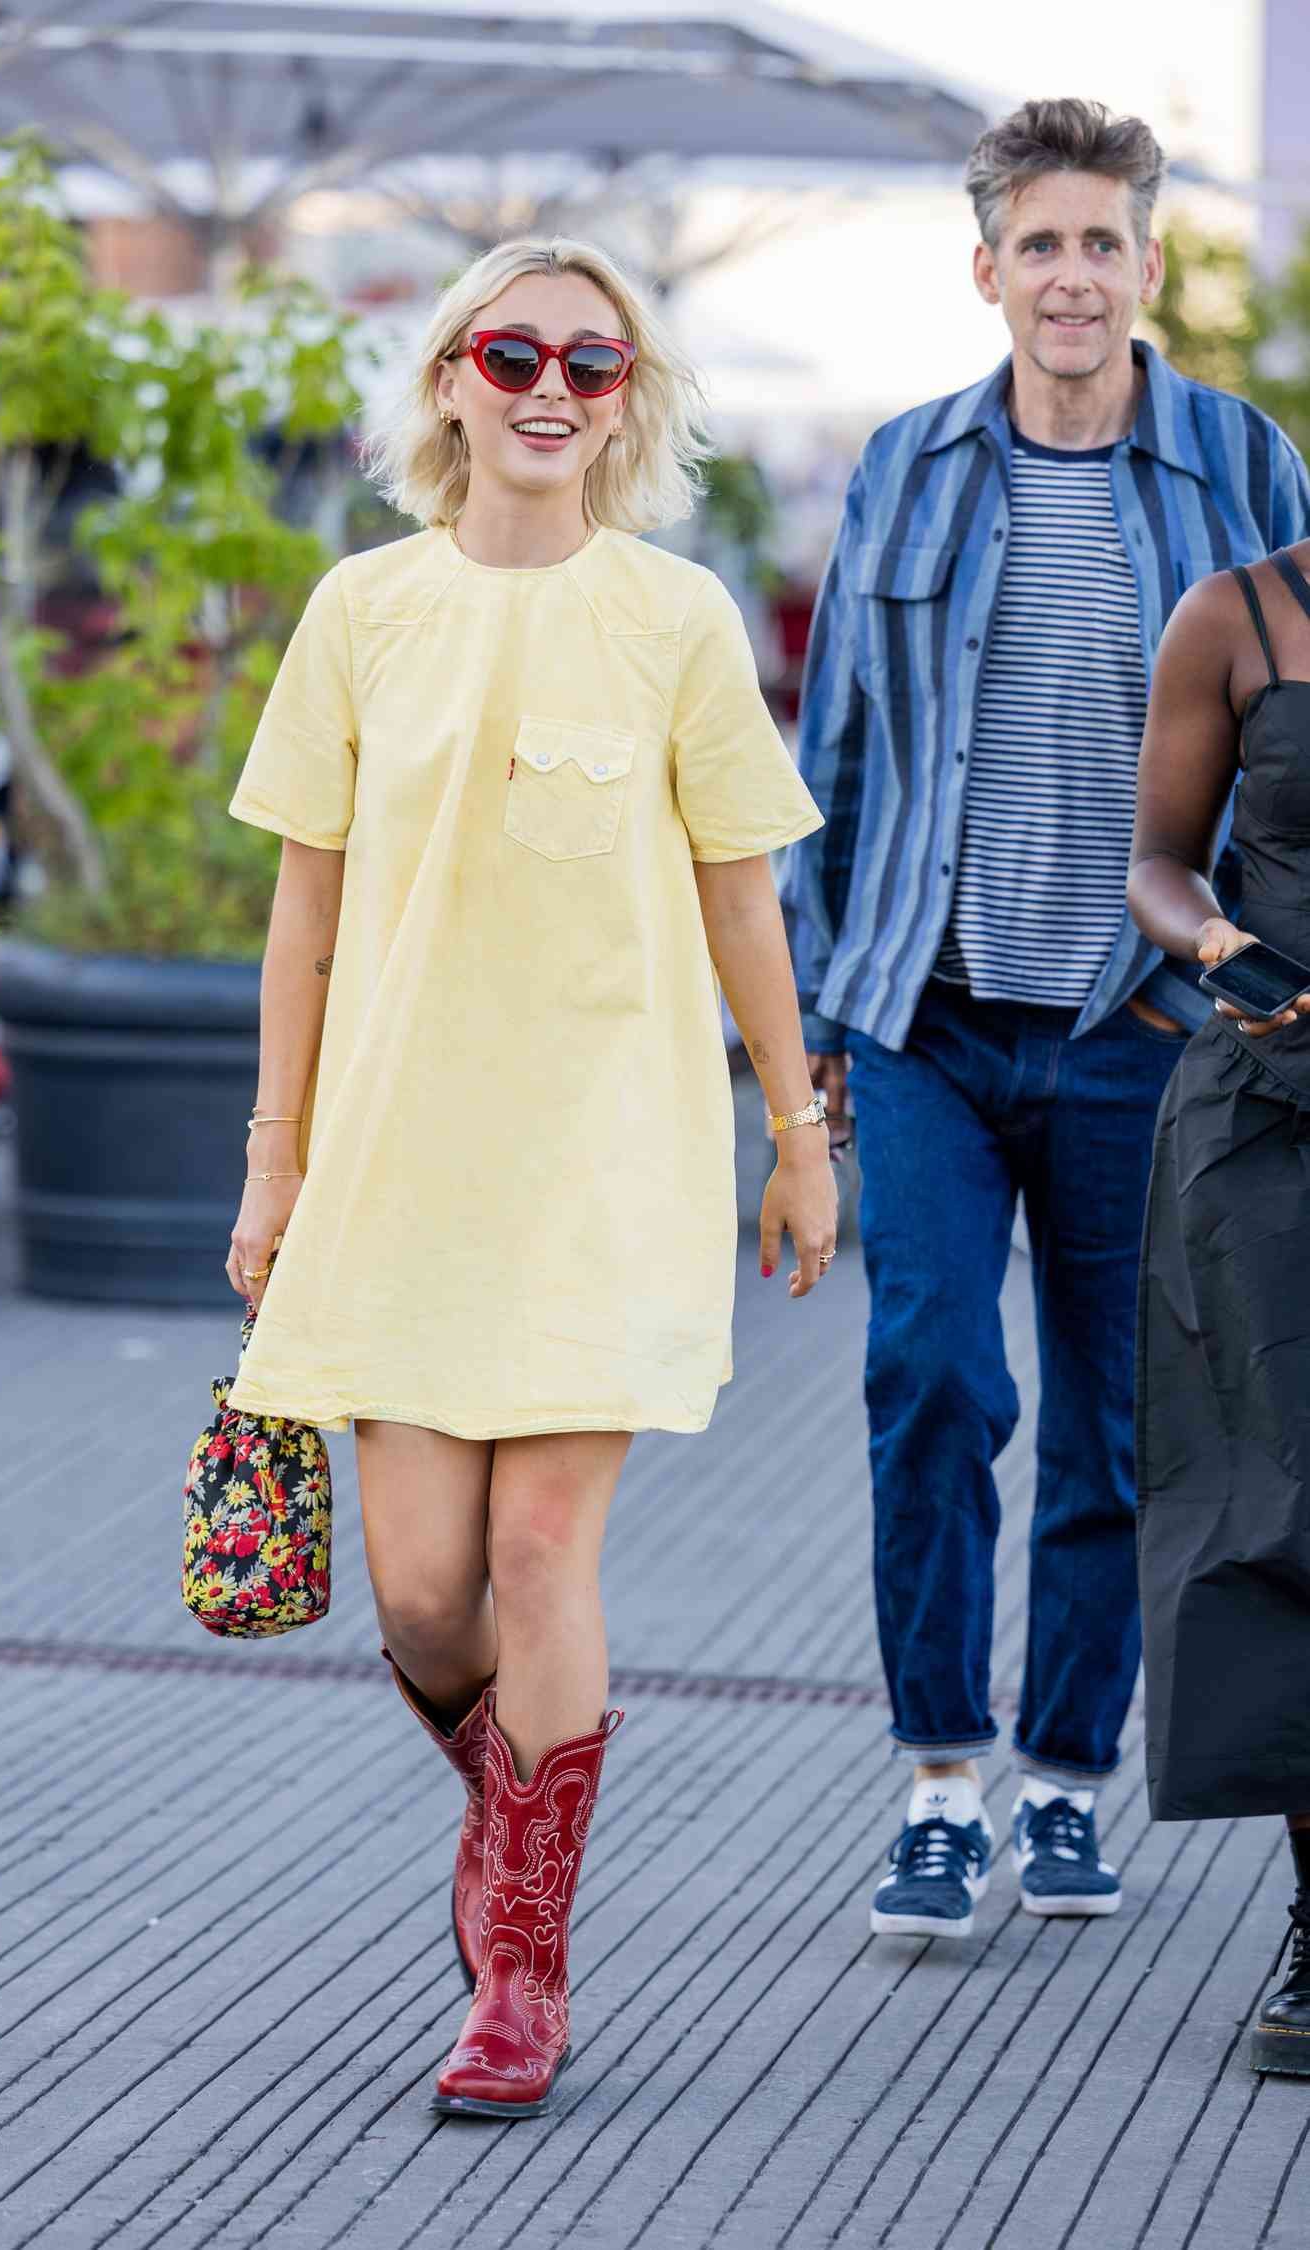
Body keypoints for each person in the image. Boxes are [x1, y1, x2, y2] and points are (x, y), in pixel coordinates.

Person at [223, 237, 835, 2116]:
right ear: (452, 383)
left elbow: (743, 883)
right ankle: (516, 1827)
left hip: (607, 1158)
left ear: (628, 392)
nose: (551, 383)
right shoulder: (361, 610)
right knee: (420, 1597)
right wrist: (275, 1163)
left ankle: (521, 1958)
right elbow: (301, 919)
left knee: (541, 1550)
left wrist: (795, 1126)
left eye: (592, 356)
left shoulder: (677, 618)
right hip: (402, 1165)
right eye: (514, 351)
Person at [784, 97, 1310, 1943]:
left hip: (1147, 1022)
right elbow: (832, 752)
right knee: (930, 1379)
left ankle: (1070, 1780)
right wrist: (808, 1024)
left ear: (1149, 267)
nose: (1071, 274)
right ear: (987, 265)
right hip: (927, 1012)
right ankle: (941, 1777)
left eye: (1105, 242)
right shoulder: (908, 468)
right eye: (1041, 242)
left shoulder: (1245, 464)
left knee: (1107, 1415)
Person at [1128, 547, 1310, 2076]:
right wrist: (1218, 944)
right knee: (1285, 1507)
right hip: (1272, 1117)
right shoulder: (1236, 616)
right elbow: (1158, 865)